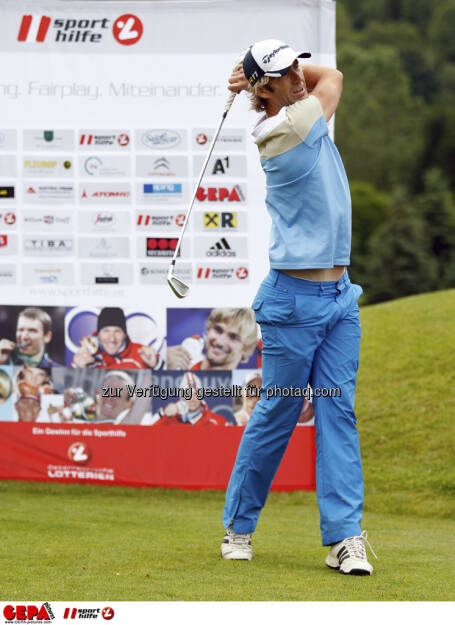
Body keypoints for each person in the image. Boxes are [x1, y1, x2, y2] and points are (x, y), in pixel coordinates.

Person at [220, 40, 377, 575]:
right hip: (293, 302)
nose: (299, 78)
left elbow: (314, 78)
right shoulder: (287, 129)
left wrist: (255, 73)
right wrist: (256, 75)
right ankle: (238, 527)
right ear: (266, 89)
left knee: (339, 411)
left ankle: (345, 538)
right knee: (280, 410)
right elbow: (332, 74)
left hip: (339, 298)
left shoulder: (295, 111)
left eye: (295, 67)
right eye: (285, 75)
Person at [166, 308, 257, 370]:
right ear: (208, 330)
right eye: (218, 330)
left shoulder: (241, 389)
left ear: (246, 348)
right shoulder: (176, 367)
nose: (220, 342)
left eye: (233, 337)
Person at [71, 307, 160, 369]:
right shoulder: (85, 354)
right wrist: (77, 367)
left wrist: (156, 366)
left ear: (125, 334)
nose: (112, 339)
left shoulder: (142, 353)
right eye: (106, 331)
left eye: (117, 331)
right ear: (98, 334)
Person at [153, 372, 225, 426]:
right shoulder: (167, 418)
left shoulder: (218, 422)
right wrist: (165, 414)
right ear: (182, 397)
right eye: (187, 394)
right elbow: (146, 435)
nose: (192, 399)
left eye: (196, 394)